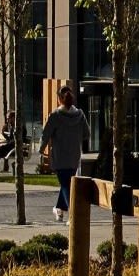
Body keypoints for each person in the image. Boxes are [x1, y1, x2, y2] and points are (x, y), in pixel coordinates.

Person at [39, 86, 88, 222]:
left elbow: (45, 135)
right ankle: (59, 208)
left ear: (59, 99)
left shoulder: (55, 116)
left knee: (66, 185)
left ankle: (73, 215)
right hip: (74, 156)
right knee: (67, 183)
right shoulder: (80, 115)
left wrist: (40, 150)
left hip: (60, 157)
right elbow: (87, 134)